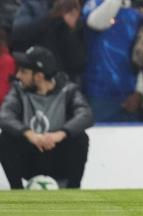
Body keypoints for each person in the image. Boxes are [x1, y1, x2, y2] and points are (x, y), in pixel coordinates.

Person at [0, 46, 93, 189]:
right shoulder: (18, 90)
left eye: (23, 72)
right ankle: (17, 190)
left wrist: (59, 134)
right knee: (5, 138)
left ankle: (73, 190)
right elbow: (4, 115)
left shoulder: (68, 91)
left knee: (80, 138)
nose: (18, 76)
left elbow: (85, 114)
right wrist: (30, 134)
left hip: (58, 156)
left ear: (39, 76)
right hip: (30, 156)